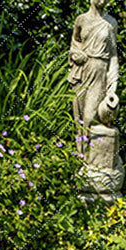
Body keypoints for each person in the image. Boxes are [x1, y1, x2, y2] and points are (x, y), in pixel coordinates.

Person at [68, 0, 119, 155]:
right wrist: (75, 54)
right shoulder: (81, 20)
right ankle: (82, 161)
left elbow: (113, 55)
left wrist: (113, 83)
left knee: (90, 118)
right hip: (81, 71)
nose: (102, 0)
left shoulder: (110, 23)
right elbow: (74, 44)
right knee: (79, 120)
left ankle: (93, 159)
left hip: (99, 72)